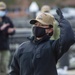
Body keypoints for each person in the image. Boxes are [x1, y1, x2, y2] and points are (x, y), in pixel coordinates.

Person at [9, 8, 74, 75]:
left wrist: (63, 21)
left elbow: (69, 38)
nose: (37, 27)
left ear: (50, 30)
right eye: (36, 24)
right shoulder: (22, 47)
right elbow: (14, 71)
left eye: (41, 25)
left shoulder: (53, 46)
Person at [0, 1, 15, 75]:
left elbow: (12, 29)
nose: (1, 11)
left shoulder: (7, 19)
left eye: (3, 10)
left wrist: (11, 31)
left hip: (5, 45)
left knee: (5, 63)